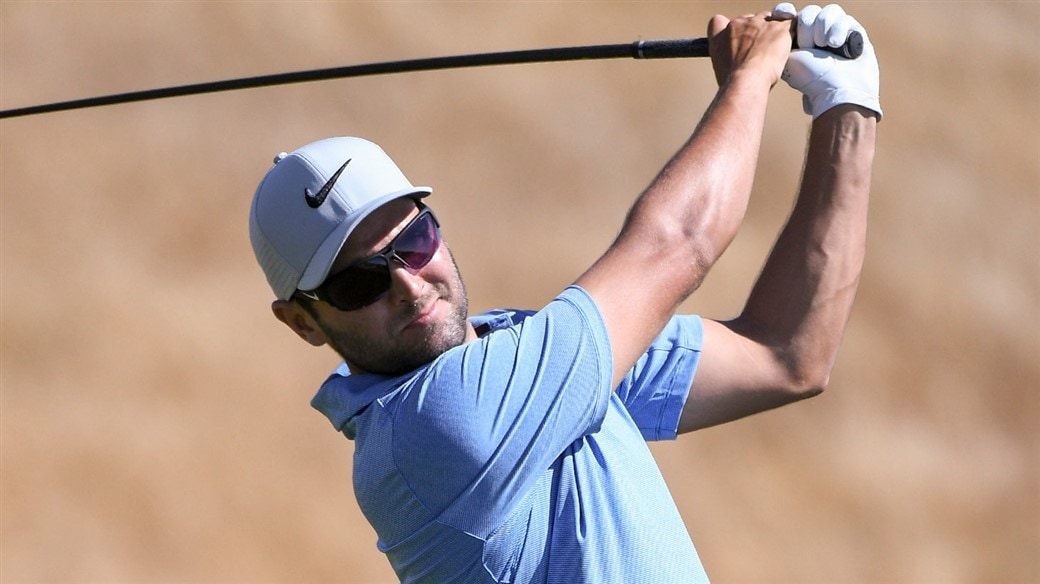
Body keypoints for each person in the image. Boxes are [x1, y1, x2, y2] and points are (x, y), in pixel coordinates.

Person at [248, 3, 880, 582]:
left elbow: (785, 355)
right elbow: (677, 244)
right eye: (360, 281)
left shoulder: (521, 352)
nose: (410, 285)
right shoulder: (434, 427)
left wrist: (846, 107)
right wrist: (749, 76)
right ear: (302, 322)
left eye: (414, 242)